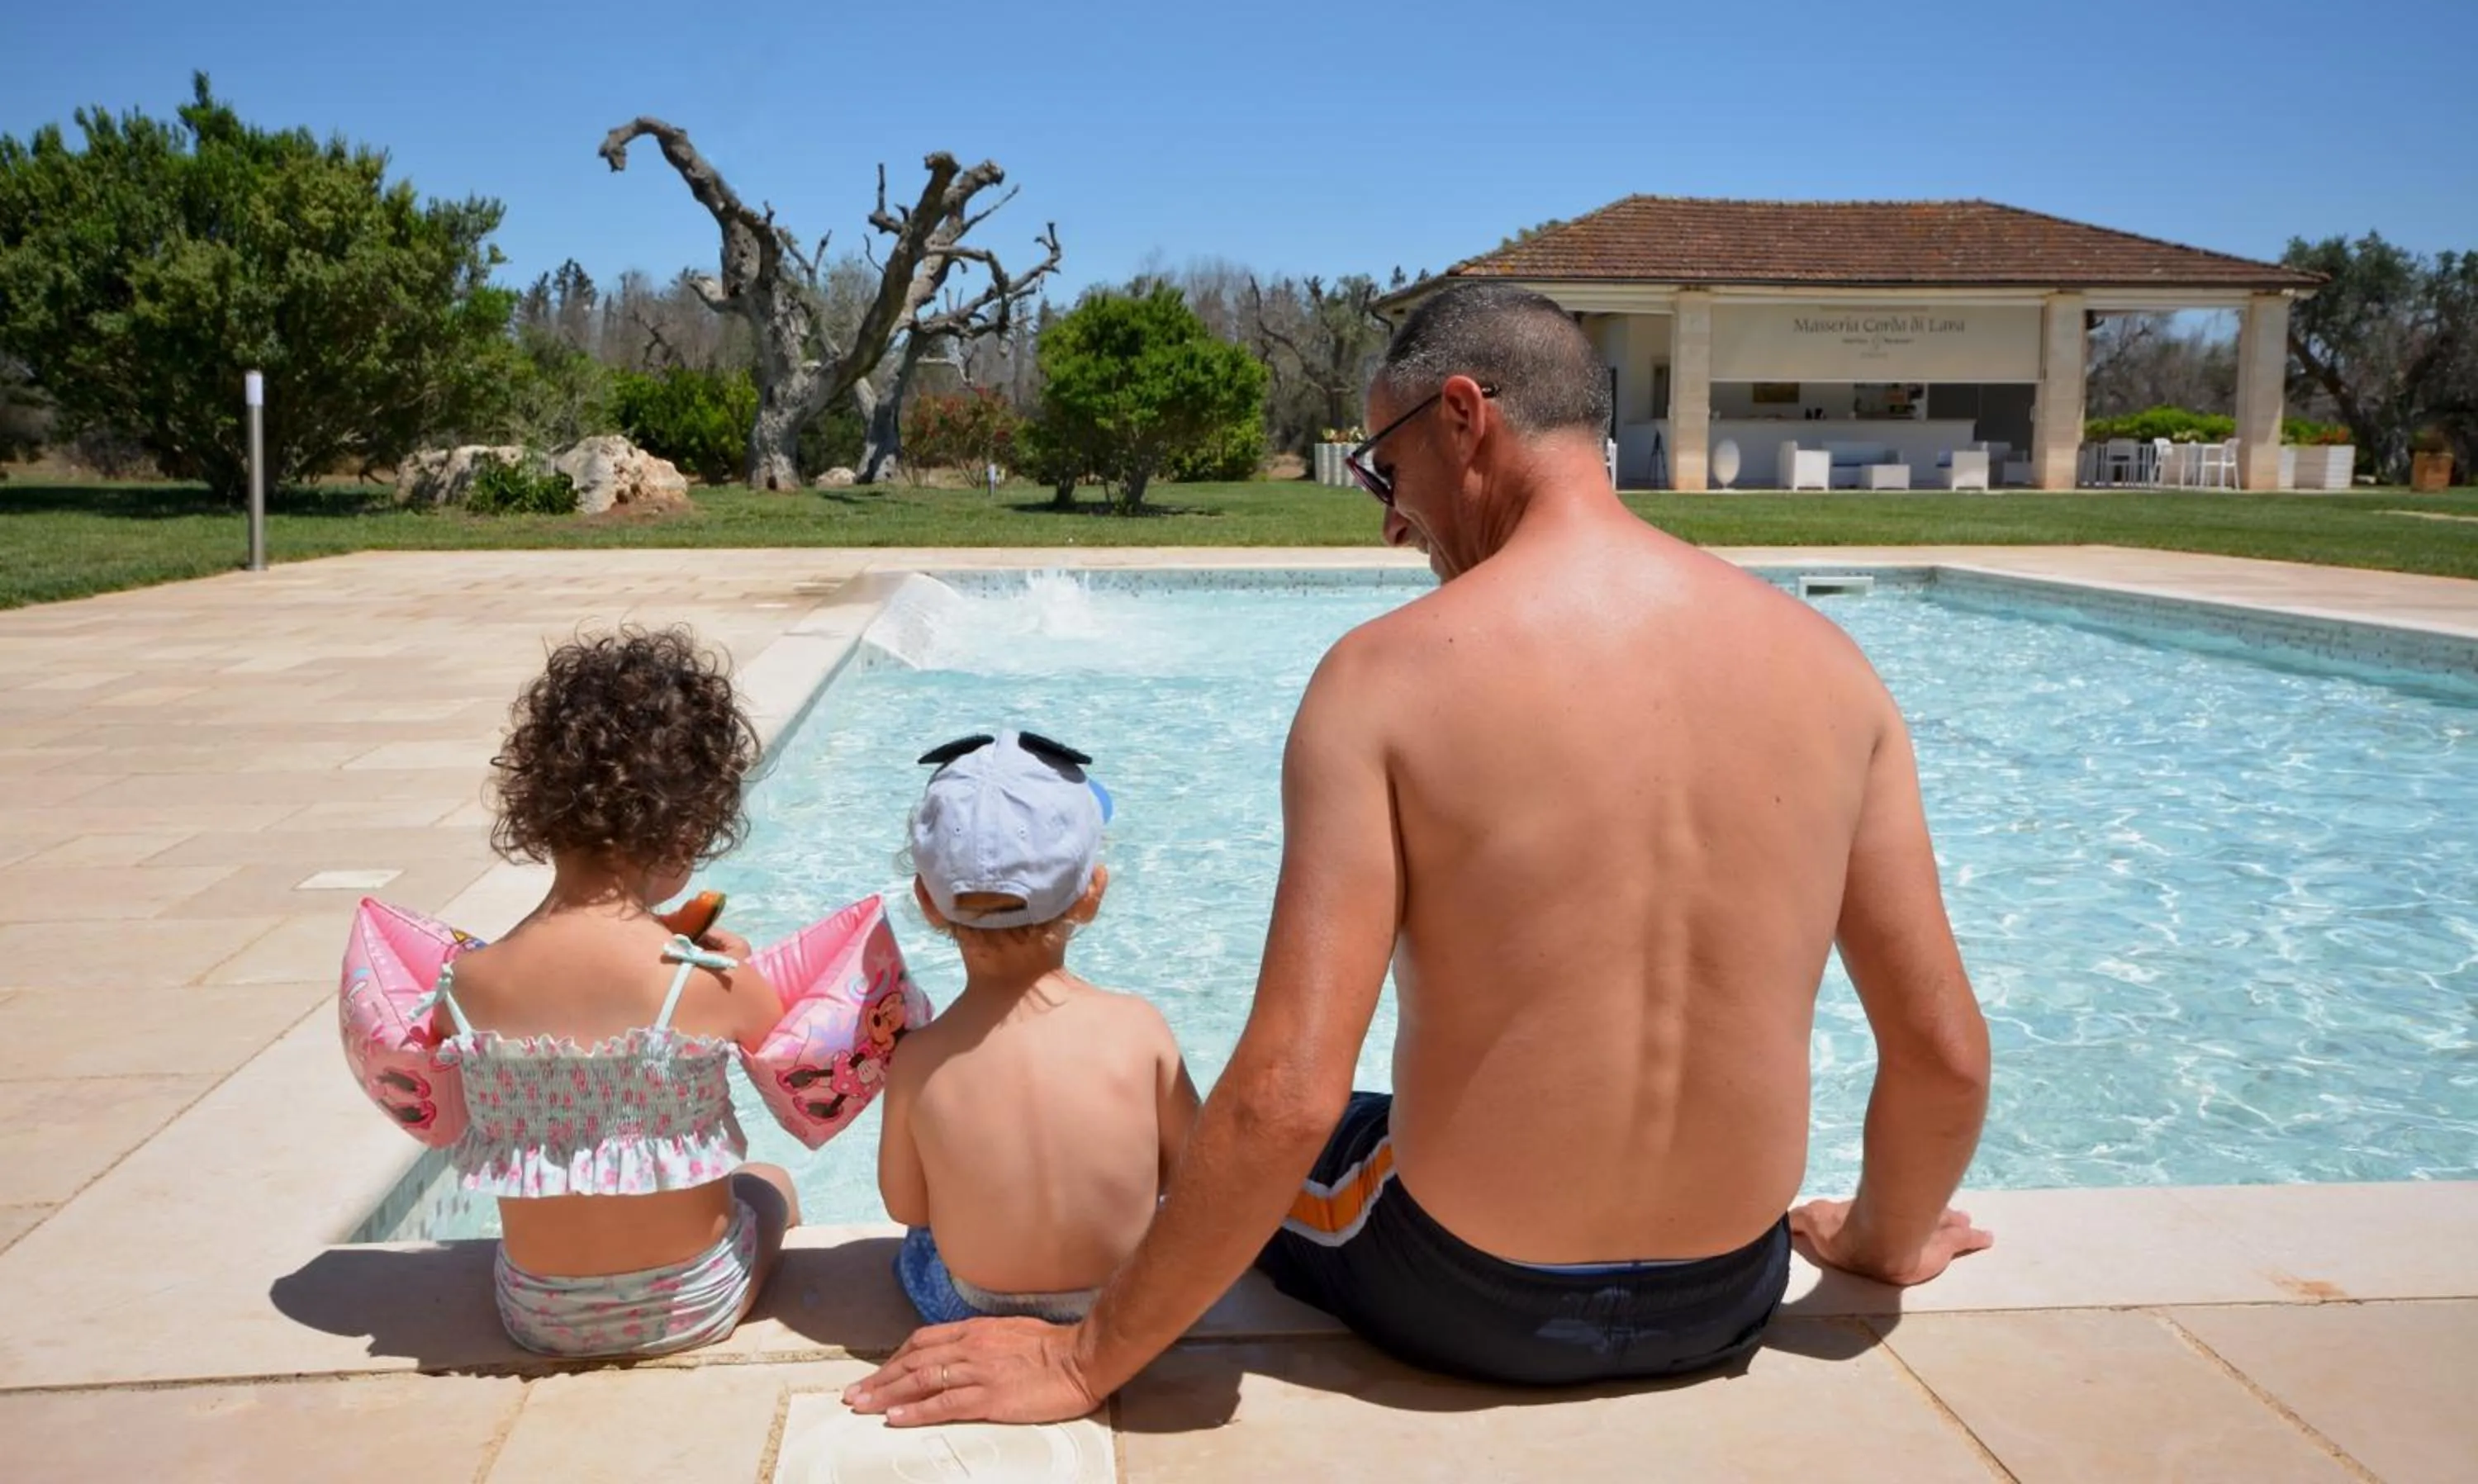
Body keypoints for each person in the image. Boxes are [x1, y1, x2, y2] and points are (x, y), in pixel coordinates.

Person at [847, 282, 1991, 1422]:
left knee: (1220, 1141)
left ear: (1462, 415)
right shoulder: (1833, 669)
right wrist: (1880, 1242)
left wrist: (1081, 1359)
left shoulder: (1385, 681)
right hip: (1726, 1289)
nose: (1390, 520)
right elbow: (1941, 1052)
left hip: (1467, 1296)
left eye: (1382, 472)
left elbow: (1291, 1093)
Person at [429, 628, 802, 1360]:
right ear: (689, 829)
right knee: (771, 1184)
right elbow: (790, 1045)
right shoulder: (701, 984)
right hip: (692, 1305)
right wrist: (737, 964)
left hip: (532, 1310)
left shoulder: (465, 985)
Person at [880, 729, 1200, 1325]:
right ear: (1091, 894)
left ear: (926, 900)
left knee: (917, 1249)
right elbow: (1193, 1172)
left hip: (972, 1307)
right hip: (1122, 1311)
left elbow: (907, 1206)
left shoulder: (918, 1059)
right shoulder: (1139, 1028)